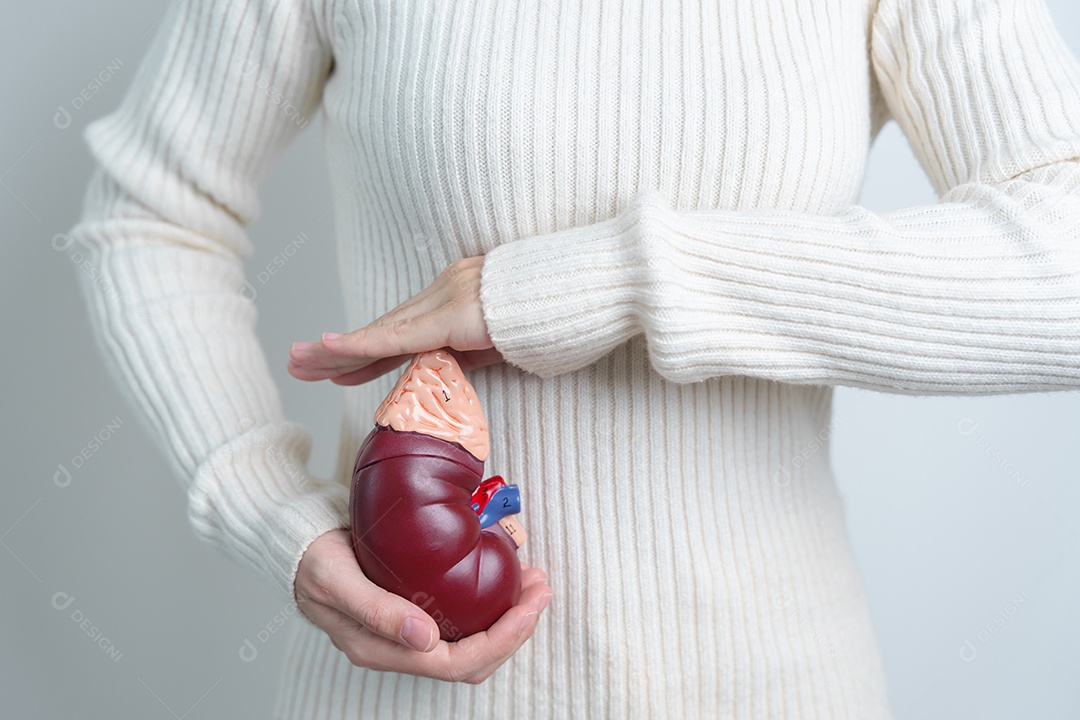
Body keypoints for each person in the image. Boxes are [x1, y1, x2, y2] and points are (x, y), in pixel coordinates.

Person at [68, 0, 1080, 717]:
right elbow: (153, 214)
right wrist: (267, 515)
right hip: (396, 697)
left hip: (776, 688)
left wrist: (608, 283)